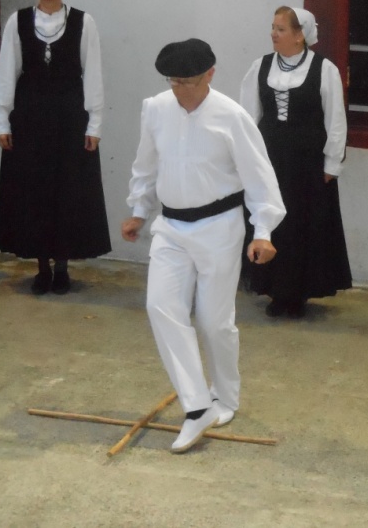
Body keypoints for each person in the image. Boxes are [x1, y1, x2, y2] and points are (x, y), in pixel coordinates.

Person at [121, 39, 285, 453]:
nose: (181, 90)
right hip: (171, 227)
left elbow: (259, 176)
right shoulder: (156, 109)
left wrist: (263, 231)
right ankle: (197, 406)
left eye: (189, 82)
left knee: (214, 322)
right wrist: (139, 210)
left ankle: (225, 397)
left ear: (210, 75)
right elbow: (146, 164)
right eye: (174, 82)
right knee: (161, 306)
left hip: (219, 227)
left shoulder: (232, 117)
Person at [0, 0, 111, 295]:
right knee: (34, 191)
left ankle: (62, 267)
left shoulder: (83, 22)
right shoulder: (18, 22)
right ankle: (42, 267)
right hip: (30, 119)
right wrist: (2, 120)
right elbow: (6, 72)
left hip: (70, 118)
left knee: (68, 191)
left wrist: (94, 124)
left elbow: (93, 74)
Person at [239, 6, 352, 318]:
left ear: (300, 35)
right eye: (273, 28)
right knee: (270, 220)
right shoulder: (260, 66)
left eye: (281, 29)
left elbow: (336, 120)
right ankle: (274, 288)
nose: (273, 34)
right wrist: (245, 158)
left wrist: (331, 163)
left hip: (307, 163)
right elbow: (247, 117)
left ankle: (298, 293)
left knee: (303, 224)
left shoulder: (324, 69)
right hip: (270, 158)